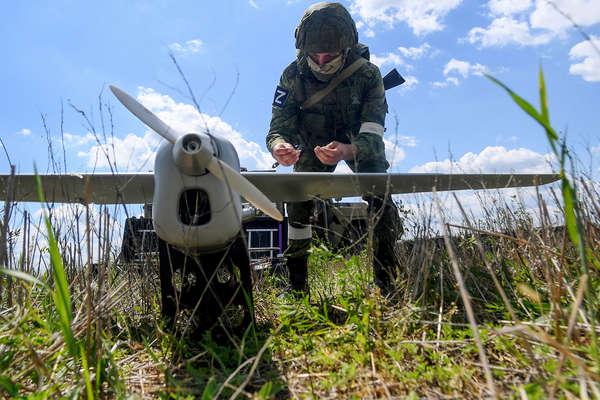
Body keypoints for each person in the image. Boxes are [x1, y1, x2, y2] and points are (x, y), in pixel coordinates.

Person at [266, 1, 402, 296]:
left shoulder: (368, 74)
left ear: (346, 47)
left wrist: (346, 150)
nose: (322, 59)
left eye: (330, 54)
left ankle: (387, 282)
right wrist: (280, 147)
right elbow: (278, 128)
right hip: (313, 145)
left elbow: (373, 133)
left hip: (358, 145)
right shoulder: (292, 75)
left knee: (382, 202)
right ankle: (297, 287)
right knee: (298, 206)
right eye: (315, 54)